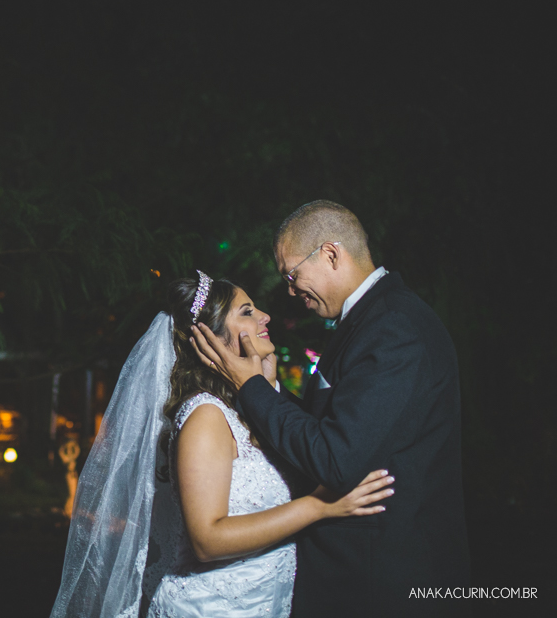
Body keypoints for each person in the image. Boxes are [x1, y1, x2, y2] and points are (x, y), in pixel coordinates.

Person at [50, 271, 394, 618]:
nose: (265, 316)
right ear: (210, 339)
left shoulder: (248, 409)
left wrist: (265, 387)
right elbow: (207, 539)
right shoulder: (206, 417)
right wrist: (319, 506)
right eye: (247, 311)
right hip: (209, 608)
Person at [191, 200, 471, 617]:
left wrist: (251, 387)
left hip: (383, 584)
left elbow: (336, 458)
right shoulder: (373, 320)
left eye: (292, 274)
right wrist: (268, 388)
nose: (290, 290)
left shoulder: (394, 328)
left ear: (331, 254)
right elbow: (334, 425)